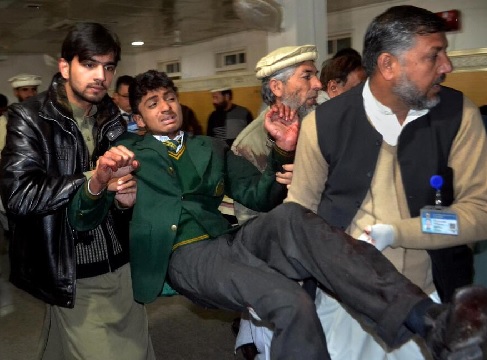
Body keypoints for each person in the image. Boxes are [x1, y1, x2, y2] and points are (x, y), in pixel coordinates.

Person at [68, 69, 487, 360]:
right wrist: (102, 183)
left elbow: (258, 195)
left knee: (291, 217)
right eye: (153, 103)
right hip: (184, 254)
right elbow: (82, 219)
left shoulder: (209, 148)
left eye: (171, 98)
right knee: (288, 302)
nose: (166, 107)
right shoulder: (126, 156)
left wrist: (283, 150)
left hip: (228, 239)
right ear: (138, 118)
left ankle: (429, 320)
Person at [287, 5, 487, 360]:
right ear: (388, 65)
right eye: (434, 56)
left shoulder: (459, 115)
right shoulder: (325, 123)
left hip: (432, 303)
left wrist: (399, 232)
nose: (447, 67)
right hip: (345, 306)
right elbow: (298, 215)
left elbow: (478, 213)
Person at [0, 23, 154, 359]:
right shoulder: (29, 117)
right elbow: (18, 195)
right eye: (89, 64)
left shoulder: (114, 117)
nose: (101, 75)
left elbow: (119, 192)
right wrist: (91, 179)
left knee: (135, 347)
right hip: (72, 266)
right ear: (64, 66)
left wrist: (127, 199)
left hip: (121, 261)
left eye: (109, 66)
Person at [230, 44, 322, 359]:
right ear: (277, 87)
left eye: (316, 74)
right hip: (283, 270)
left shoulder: (322, 124)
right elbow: (252, 215)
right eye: (307, 76)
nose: (318, 84)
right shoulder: (251, 143)